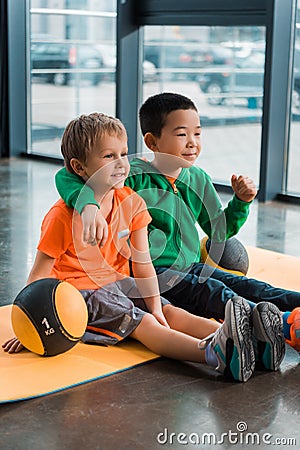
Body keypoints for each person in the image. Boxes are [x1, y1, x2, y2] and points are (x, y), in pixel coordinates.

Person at [4, 111, 285, 382]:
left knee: (170, 312)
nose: (121, 163)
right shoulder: (62, 216)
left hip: (119, 281)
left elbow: (142, 264)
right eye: (108, 156)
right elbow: (40, 273)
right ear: (79, 167)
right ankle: (215, 353)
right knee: (144, 323)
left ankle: (247, 339)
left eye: (124, 154)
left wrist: (156, 305)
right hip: (78, 295)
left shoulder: (132, 203)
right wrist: (29, 322)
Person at [54, 95, 299, 353]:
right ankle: (283, 326)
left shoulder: (198, 179)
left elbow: (220, 232)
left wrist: (240, 202)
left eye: (198, 134)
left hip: (191, 265)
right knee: (216, 292)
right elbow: (66, 175)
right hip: (153, 273)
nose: (192, 143)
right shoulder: (133, 175)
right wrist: (88, 205)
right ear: (152, 141)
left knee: (248, 286)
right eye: (182, 134)